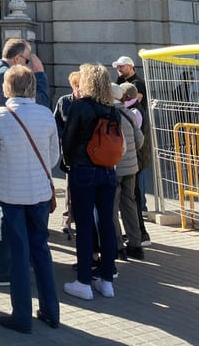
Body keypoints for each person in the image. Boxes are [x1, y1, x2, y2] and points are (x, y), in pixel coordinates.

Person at [0, 64, 60, 333]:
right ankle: (51, 311)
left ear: (7, 86)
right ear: (31, 85)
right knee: (41, 250)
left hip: (10, 194)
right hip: (39, 192)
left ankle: (22, 316)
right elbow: (53, 158)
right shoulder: (45, 114)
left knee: (18, 254)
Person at [0, 37, 50, 287]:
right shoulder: (9, 77)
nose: (28, 64)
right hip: (6, 155)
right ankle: (4, 268)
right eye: (27, 59)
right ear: (18, 59)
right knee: (5, 217)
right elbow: (35, 109)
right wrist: (40, 76)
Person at [62, 63, 122, 301]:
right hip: (108, 171)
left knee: (85, 226)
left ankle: (84, 281)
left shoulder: (80, 106)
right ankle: (107, 280)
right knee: (107, 224)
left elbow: (69, 138)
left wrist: (67, 161)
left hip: (83, 170)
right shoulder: (112, 109)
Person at [114, 56, 151, 215]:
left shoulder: (138, 83)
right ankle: (137, 206)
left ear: (130, 66)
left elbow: (135, 100)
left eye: (122, 66)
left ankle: (142, 206)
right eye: (118, 67)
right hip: (130, 134)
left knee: (138, 170)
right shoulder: (119, 80)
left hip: (139, 130)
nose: (119, 69)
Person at [112, 83, 144, 260]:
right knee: (129, 204)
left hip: (115, 168)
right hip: (132, 167)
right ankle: (136, 244)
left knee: (112, 208)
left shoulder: (109, 114)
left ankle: (118, 246)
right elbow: (140, 141)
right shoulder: (129, 113)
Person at [54, 71, 81, 236]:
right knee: (70, 186)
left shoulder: (87, 103)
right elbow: (55, 122)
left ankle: (78, 217)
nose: (80, 90)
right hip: (69, 152)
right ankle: (67, 218)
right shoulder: (64, 102)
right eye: (77, 86)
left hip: (85, 152)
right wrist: (62, 137)